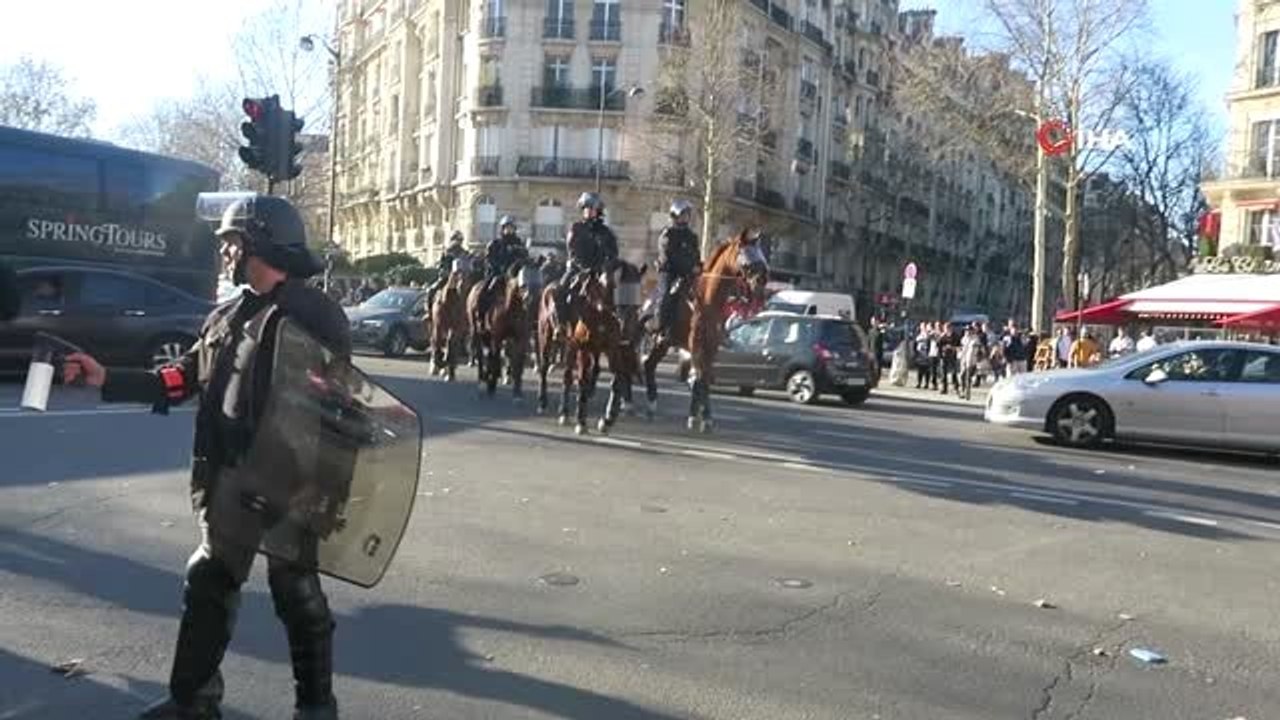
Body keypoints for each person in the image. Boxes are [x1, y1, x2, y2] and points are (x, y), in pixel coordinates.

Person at [63, 194, 349, 720]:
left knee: (296, 590)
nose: (224, 252)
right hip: (230, 474)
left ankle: (316, 708)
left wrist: (327, 488)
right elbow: (182, 378)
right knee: (209, 578)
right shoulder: (224, 316)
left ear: (258, 243)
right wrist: (107, 377)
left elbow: (340, 412)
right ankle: (193, 698)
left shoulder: (315, 315)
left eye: (231, 242)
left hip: (292, 478)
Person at [556, 192, 619, 327]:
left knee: (616, 292)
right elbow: (572, 251)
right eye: (587, 208)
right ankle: (560, 327)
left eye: (592, 209)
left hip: (599, 272)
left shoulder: (606, 232)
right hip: (578, 270)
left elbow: (614, 254)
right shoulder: (576, 228)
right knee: (560, 291)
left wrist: (606, 266)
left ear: (598, 211)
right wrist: (582, 268)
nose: (589, 211)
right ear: (582, 209)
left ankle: (619, 327)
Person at [655, 199, 701, 343]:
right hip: (669, 272)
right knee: (667, 295)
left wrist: (699, 266)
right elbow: (669, 256)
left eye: (687, 214)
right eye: (682, 214)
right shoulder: (668, 234)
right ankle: (661, 329)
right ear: (675, 215)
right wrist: (689, 267)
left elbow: (696, 255)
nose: (685, 217)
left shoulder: (692, 236)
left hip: (688, 274)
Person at [479, 216, 529, 316]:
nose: (509, 230)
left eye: (512, 228)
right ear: (503, 229)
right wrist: (499, 268)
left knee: (530, 288)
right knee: (488, 287)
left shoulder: (519, 243)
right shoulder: (495, 243)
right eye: (507, 227)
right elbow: (489, 259)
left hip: (515, 275)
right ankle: (482, 312)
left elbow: (524, 259)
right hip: (498, 273)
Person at [426, 231, 470, 312]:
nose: (458, 242)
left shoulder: (465, 253)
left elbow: (467, 264)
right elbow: (442, 265)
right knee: (431, 290)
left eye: (460, 240)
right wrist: (445, 271)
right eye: (456, 239)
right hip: (447, 276)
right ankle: (429, 312)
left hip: (461, 276)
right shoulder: (447, 252)